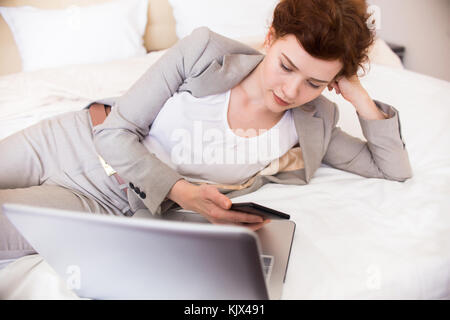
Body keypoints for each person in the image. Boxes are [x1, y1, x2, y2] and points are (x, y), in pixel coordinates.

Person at [0, 0, 412, 260]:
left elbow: (391, 168)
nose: (291, 90)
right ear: (270, 37)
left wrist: (358, 96)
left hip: (108, 202)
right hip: (67, 140)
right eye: (286, 66)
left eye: (315, 83)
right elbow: (116, 132)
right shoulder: (203, 51)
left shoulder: (316, 121)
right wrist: (183, 193)